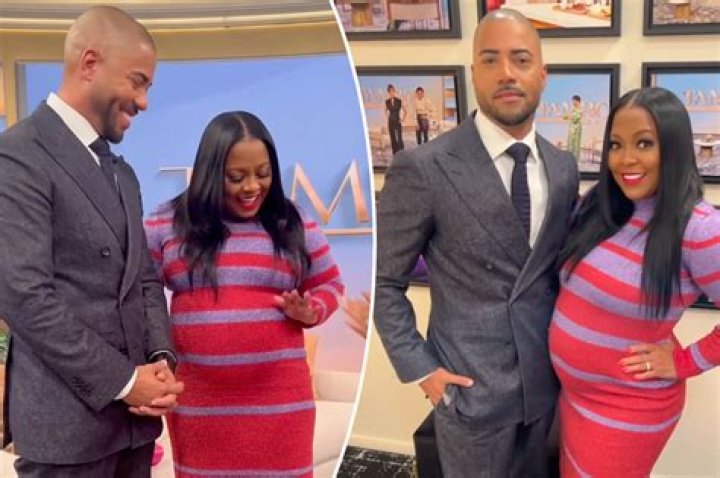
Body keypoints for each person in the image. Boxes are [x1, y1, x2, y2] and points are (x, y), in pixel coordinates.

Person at [374, 9, 579, 477]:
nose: (506, 73)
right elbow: (384, 281)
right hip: (469, 394)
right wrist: (422, 369)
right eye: (490, 60)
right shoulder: (424, 168)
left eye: (521, 59)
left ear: (542, 74)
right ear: (474, 72)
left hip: (544, 388)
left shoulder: (563, 167)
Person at [0, 6, 183, 477]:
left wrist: (161, 361)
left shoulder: (123, 173)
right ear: (89, 64)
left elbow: (143, 280)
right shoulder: (17, 155)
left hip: (134, 427)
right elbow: (24, 295)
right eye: (138, 82)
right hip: (67, 434)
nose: (144, 102)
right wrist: (125, 381)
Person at [144, 111, 344, 477]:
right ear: (209, 173)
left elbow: (331, 285)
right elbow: (142, 295)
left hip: (281, 405)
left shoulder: (293, 221)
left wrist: (311, 310)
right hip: (200, 406)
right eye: (236, 177)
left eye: (263, 173)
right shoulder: (165, 222)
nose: (252, 187)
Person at [549, 87, 720, 476]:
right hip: (573, 397)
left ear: (674, 149)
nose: (625, 159)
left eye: (644, 143)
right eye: (616, 144)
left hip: (628, 407)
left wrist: (682, 362)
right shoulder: (599, 205)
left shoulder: (699, 228)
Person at [385, 84, 406, 154]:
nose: (391, 93)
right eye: (390, 91)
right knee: (392, 138)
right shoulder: (387, 101)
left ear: (394, 91)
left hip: (397, 121)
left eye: (392, 91)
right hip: (390, 122)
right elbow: (385, 111)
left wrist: (402, 119)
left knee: (399, 138)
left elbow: (405, 111)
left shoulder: (399, 101)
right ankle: (395, 154)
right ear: (388, 92)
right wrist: (388, 116)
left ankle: (402, 154)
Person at [563, 95, 583, 160]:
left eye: (574, 101)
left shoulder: (580, 109)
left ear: (578, 101)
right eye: (572, 101)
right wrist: (566, 114)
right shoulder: (573, 109)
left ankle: (575, 158)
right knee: (570, 142)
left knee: (575, 143)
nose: (573, 103)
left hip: (576, 128)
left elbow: (576, 118)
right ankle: (570, 157)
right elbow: (565, 117)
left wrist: (569, 116)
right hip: (572, 127)